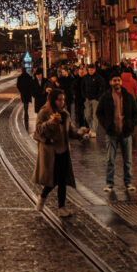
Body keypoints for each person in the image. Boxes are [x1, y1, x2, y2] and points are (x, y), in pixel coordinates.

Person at [33, 87, 89, 217]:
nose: (62, 102)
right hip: (50, 153)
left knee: (62, 180)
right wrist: (51, 122)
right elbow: (38, 131)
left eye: (63, 100)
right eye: (59, 100)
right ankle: (42, 197)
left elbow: (71, 131)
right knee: (53, 180)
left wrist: (81, 133)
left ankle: (61, 207)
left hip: (63, 150)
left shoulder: (65, 114)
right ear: (53, 100)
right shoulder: (44, 112)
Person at [96, 69, 137, 193]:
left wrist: (131, 125)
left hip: (126, 132)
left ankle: (128, 182)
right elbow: (99, 113)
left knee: (128, 160)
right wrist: (107, 125)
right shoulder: (106, 97)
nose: (117, 82)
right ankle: (109, 183)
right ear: (110, 82)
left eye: (118, 80)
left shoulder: (128, 96)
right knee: (110, 159)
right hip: (112, 132)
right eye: (114, 80)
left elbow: (135, 112)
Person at [80, 62, 106, 136]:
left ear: (94, 70)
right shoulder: (85, 78)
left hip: (95, 99)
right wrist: (84, 95)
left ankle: (94, 130)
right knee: (87, 115)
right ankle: (91, 127)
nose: (90, 71)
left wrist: (98, 97)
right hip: (87, 99)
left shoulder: (99, 78)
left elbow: (102, 88)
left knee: (95, 115)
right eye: (89, 70)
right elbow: (82, 87)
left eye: (92, 70)